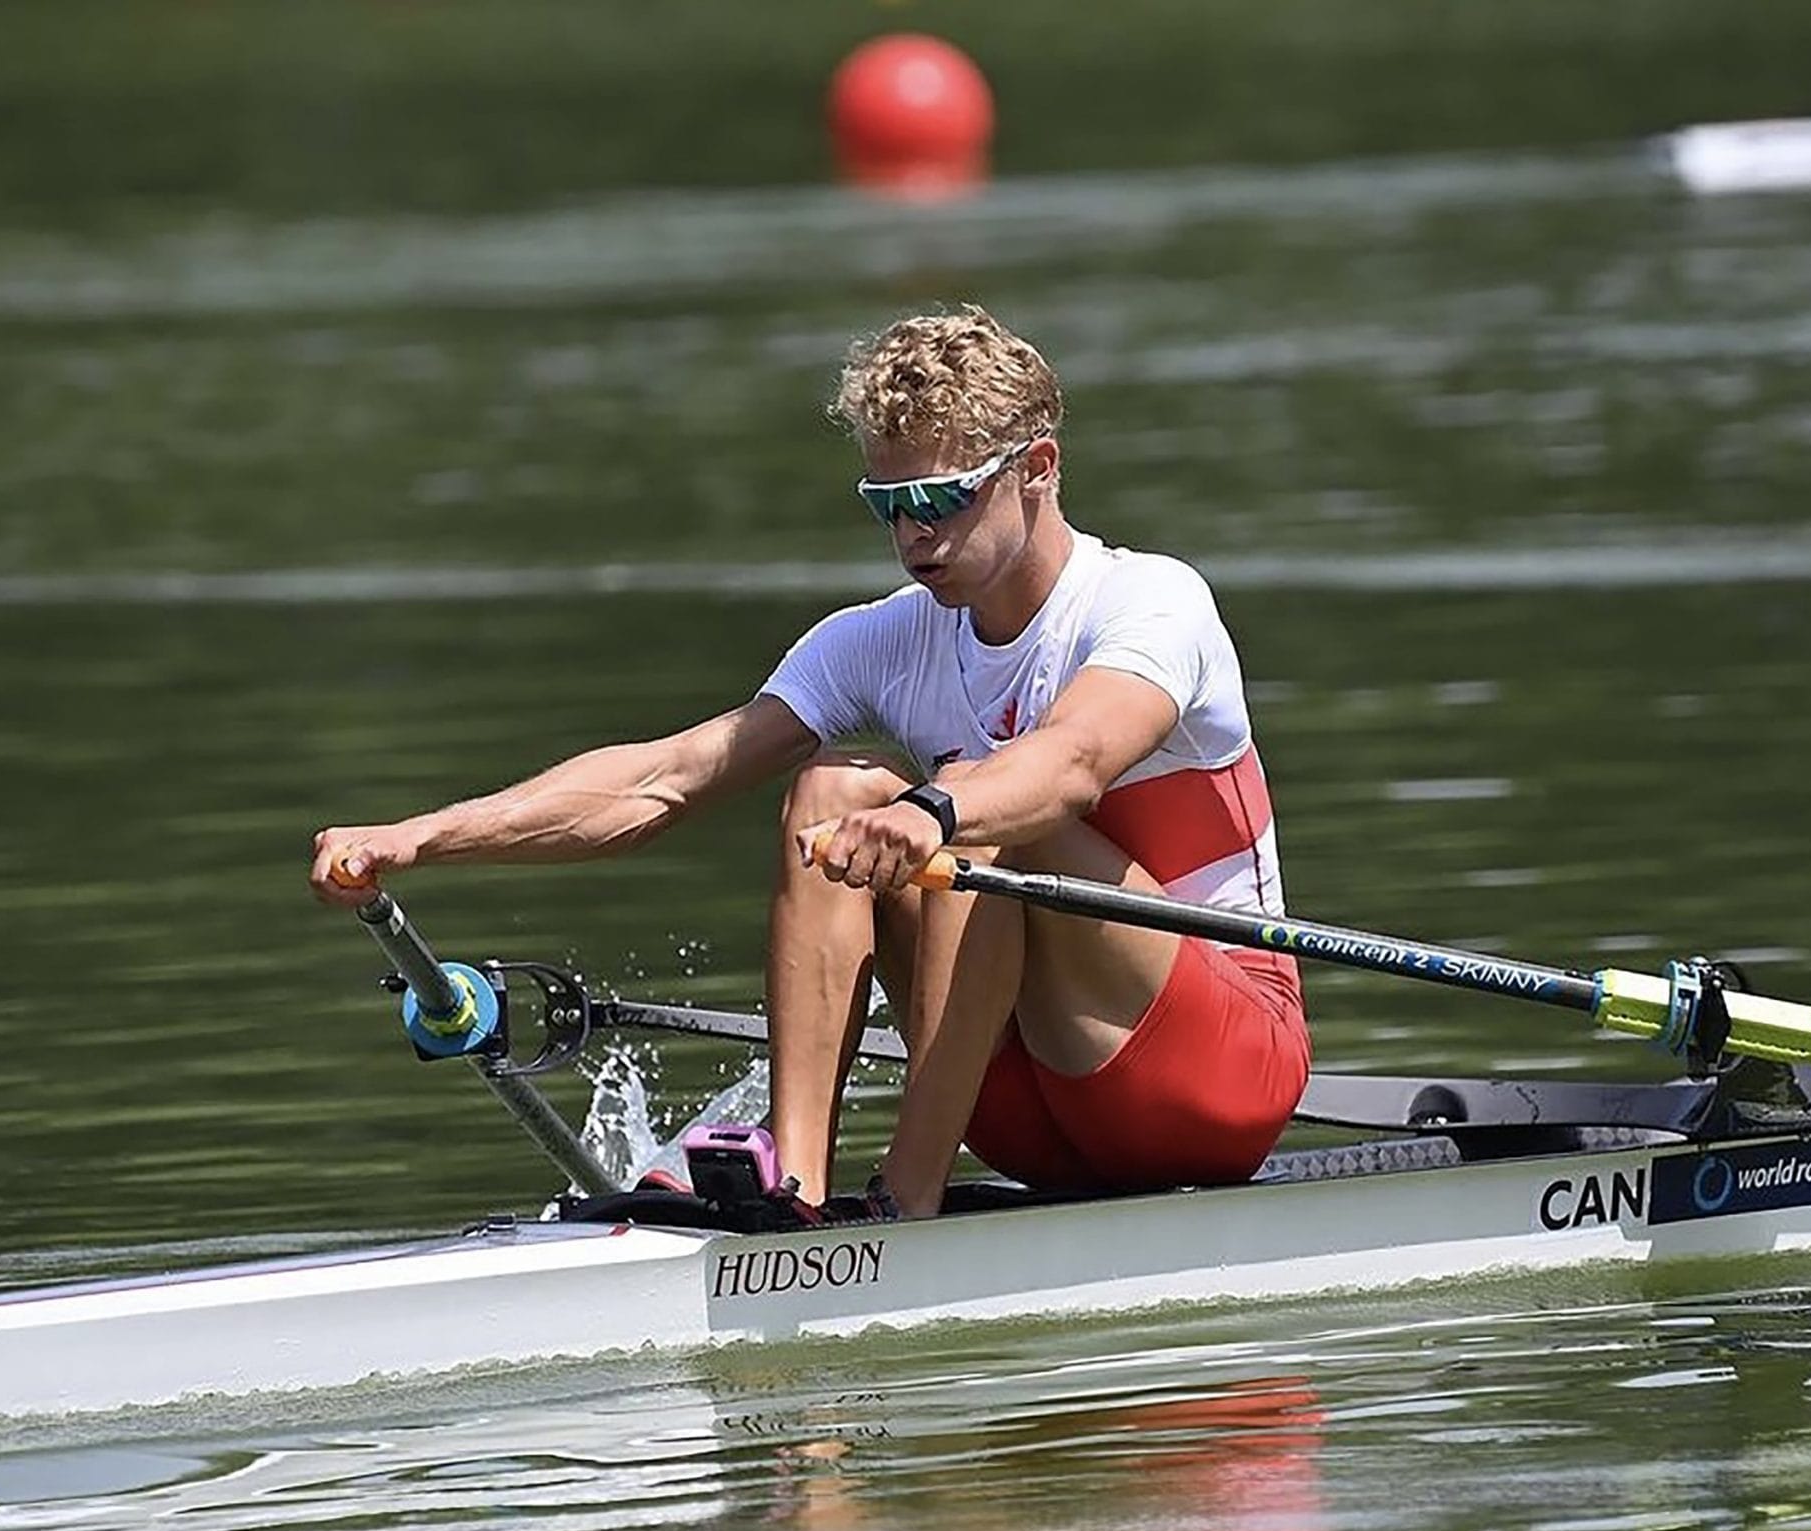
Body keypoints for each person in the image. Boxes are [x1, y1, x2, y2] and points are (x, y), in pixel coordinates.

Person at [310, 306, 1309, 1220]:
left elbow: (1074, 763)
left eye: (942, 497)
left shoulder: (1150, 605)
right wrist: (422, 836)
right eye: (888, 505)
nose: (914, 534)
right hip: (1021, 1108)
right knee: (830, 789)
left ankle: (906, 1195)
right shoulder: (884, 640)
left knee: (988, 812)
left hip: (1214, 1078)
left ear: (1036, 468)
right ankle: (799, 1191)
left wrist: (932, 812)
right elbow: (665, 779)